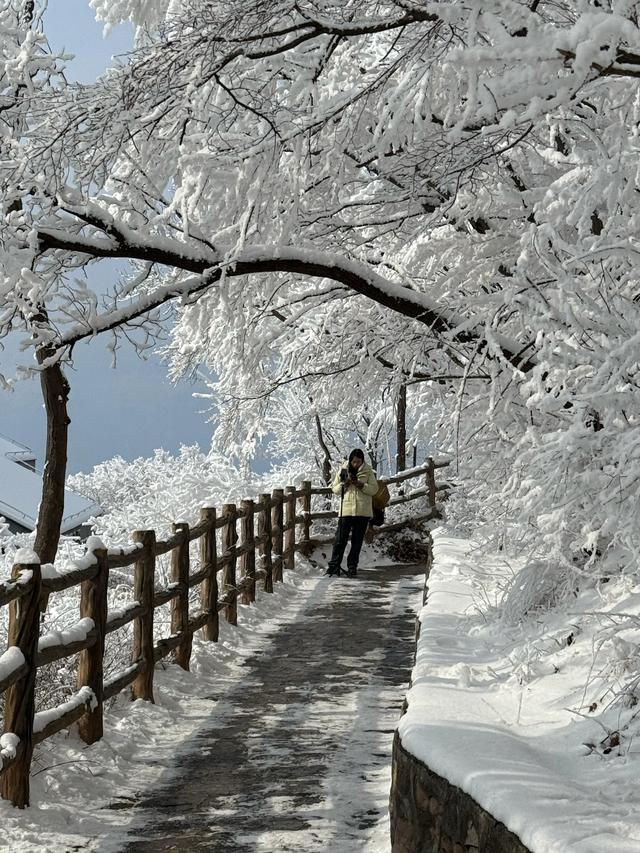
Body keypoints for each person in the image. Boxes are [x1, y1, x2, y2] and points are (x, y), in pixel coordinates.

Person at [326, 449, 378, 577]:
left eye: (358, 462)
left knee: (357, 542)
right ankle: (334, 566)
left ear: (362, 461)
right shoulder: (344, 470)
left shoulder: (368, 471)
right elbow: (335, 489)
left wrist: (362, 485)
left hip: (362, 511)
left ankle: (352, 567)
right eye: (354, 462)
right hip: (346, 510)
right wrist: (346, 484)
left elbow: (374, 489)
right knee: (340, 540)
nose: (355, 464)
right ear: (350, 460)